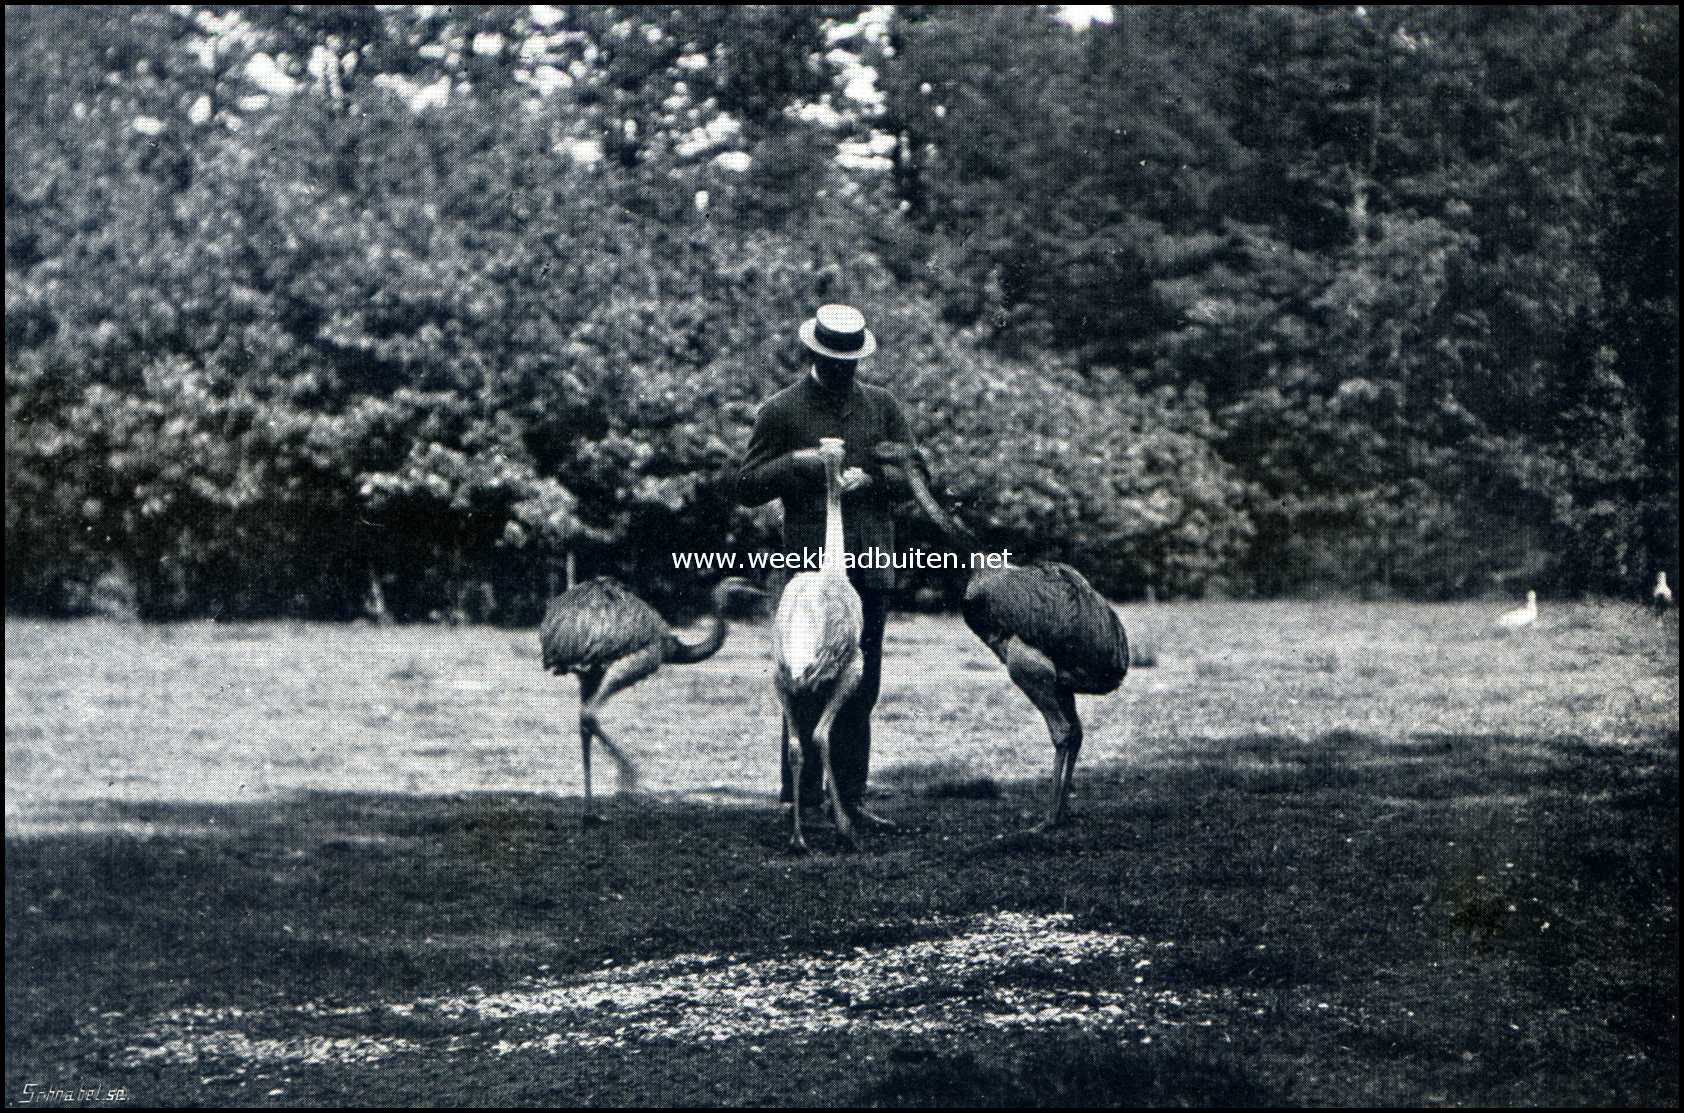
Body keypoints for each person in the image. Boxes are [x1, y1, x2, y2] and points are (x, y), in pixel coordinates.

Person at [735, 304, 922, 833]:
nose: (844, 370)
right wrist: (798, 464)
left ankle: (852, 797)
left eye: (850, 361)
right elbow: (746, 485)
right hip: (809, 568)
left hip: (871, 565)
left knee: (860, 682)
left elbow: (914, 475)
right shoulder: (783, 410)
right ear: (816, 354)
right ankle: (801, 799)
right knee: (802, 675)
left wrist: (875, 480)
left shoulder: (882, 408)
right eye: (834, 360)